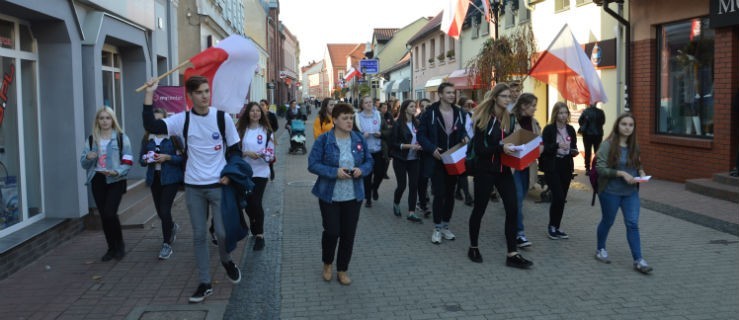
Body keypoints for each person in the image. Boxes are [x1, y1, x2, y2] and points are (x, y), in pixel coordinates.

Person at [142, 76, 243, 303]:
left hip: (218, 185)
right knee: (199, 236)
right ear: (190, 96)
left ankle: (226, 261)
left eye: (207, 91)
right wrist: (150, 93)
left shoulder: (222, 118)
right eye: (199, 92)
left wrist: (229, 173)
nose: (205, 96)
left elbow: (236, 149)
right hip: (194, 187)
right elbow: (151, 125)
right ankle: (205, 282)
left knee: (222, 232)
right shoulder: (182, 120)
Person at [467, 84, 533, 268]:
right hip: (485, 170)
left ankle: (512, 254)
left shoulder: (510, 119)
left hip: (503, 170)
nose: (508, 99)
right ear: (495, 97)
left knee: (512, 209)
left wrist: (522, 145)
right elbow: (480, 149)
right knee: (479, 210)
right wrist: (500, 148)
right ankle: (473, 247)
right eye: (504, 96)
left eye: (509, 96)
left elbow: (512, 140)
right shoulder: (483, 118)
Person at [308, 103, 373, 285]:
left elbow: (369, 161)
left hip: (353, 195)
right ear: (334, 120)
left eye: (351, 118)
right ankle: (327, 263)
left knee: (348, 234)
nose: (349, 121)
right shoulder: (324, 140)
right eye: (344, 118)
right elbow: (312, 164)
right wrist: (334, 172)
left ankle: (342, 269)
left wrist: (362, 169)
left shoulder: (358, 139)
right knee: (332, 231)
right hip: (330, 195)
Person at [594, 113, 653, 274]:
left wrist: (641, 172)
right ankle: (600, 249)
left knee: (632, 224)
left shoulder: (635, 146)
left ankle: (639, 260)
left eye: (631, 125)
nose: (627, 128)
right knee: (608, 221)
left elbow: (638, 163)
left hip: (630, 193)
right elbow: (600, 168)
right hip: (610, 192)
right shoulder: (607, 145)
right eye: (624, 124)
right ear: (617, 126)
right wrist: (620, 174)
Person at [80, 107, 134, 262]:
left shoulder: (122, 138)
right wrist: (89, 157)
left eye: (108, 118)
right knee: (104, 216)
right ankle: (111, 248)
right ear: (97, 120)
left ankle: (120, 245)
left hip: (115, 179)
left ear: (113, 120)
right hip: (97, 179)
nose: (104, 121)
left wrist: (117, 171)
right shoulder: (92, 139)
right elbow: (83, 163)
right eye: (101, 118)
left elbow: (128, 161)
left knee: (110, 212)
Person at [417, 82, 468, 244]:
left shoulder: (460, 113)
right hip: (437, 159)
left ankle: (446, 226)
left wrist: (465, 137)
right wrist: (432, 149)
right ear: (440, 95)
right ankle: (437, 228)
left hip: (453, 158)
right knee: (439, 193)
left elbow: (465, 131)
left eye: (453, 93)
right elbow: (421, 136)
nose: (452, 95)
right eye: (448, 93)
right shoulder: (430, 113)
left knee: (450, 194)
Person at [138, 108, 184, 259]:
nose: (157, 123)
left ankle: (166, 244)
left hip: (171, 179)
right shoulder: (147, 139)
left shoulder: (174, 137)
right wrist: (146, 159)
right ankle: (171, 227)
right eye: (154, 120)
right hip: (154, 179)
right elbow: (141, 161)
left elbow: (183, 159)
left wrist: (168, 158)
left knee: (165, 210)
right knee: (160, 212)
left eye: (160, 120)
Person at [236, 102, 275, 251]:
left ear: (261, 113)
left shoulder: (267, 131)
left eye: (257, 111)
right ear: (248, 113)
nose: (255, 113)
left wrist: (263, 155)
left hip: (260, 172)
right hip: (243, 173)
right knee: (247, 204)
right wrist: (245, 153)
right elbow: (233, 151)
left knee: (256, 202)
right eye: (252, 111)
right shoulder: (240, 131)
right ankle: (253, 223)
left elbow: (271, 154)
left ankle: (260, 235)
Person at [539, 102, 578, 240]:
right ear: (555, 114)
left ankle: (557, 226)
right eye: (561, 113)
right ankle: (551, 226)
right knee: (558, 196)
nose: (563, 115)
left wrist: (574, 151)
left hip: (566, 165)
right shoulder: (549, 129)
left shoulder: (571, 129)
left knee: (562, 199)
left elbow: (573, 146)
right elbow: (544, 149)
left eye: (565, 112)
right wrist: (557, 145)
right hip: (552, 165)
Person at [510, 93, 542, 248]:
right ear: (523, 106)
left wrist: (539, 148)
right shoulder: (510, 120)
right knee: (517, 201)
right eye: (533, 105)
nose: (535, 109)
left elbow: (539, 142)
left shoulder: (535, 123)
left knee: (519, 200)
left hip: (528, 166)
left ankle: (512, 228)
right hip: (513, 167)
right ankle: (519, 234)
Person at [390, 100, 424, 223]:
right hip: (401, 159)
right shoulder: (397, 124)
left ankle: (411, 212)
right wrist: (409, 146)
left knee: (414, 185)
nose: (414, 108)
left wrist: (421, 144)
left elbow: (421, 138)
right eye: (411, 106)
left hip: (414, 159)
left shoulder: (417, 123)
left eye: (415, 106)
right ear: (405, 109)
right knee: (402, 185)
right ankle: (396, 202)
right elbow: (393, 143)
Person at [355, 96, 387, 208]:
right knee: (367, 176)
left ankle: (375, 188)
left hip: (378, 149)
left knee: (380, 173)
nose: (369, 104)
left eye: (370, 102)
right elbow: (353, 134)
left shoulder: (378, 114)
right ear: (362, 105)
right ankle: (368, 198)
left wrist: (381, 133)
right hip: (365, 151)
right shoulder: (357, 117)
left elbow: (386, 130)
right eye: (366, 102)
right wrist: (362, 136)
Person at [454, 96, 474, 206]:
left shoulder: (471, 115)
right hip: (460, 146)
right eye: (466, 106)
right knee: (462, 171)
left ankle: (457, 191)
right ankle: (467, 196)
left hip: (470, 146)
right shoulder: (458, 116)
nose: (468, 108)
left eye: (469, 106)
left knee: (464, 170)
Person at [415, 98, 432, 216]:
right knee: (423, 179)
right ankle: (422, 204)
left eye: (427, 106)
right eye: (423, 106)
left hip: (433, 153)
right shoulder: (417, 120)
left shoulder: (435, 118)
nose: (425, 108)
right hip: (421, 154)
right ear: (420, 107)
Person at [578, 102, 606, 176]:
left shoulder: (585, 111)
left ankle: (587, 168)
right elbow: (603, 122)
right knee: (597, 151)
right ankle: (596, 168)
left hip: (587, 134)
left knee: (587, 151)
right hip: (598, 134)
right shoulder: (600, 112)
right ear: (596, 103)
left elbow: (580, 121)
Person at [260, 99, 278, 180]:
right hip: (259, 137)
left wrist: (270, 131)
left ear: (267, 106)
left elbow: (276, 126)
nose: (261, 106)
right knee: (261, 152)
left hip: (269, 137)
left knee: (269, 154)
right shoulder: (259, 115)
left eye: (263, 105)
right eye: (260, 105)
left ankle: (271, 168)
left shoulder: (271, 115)